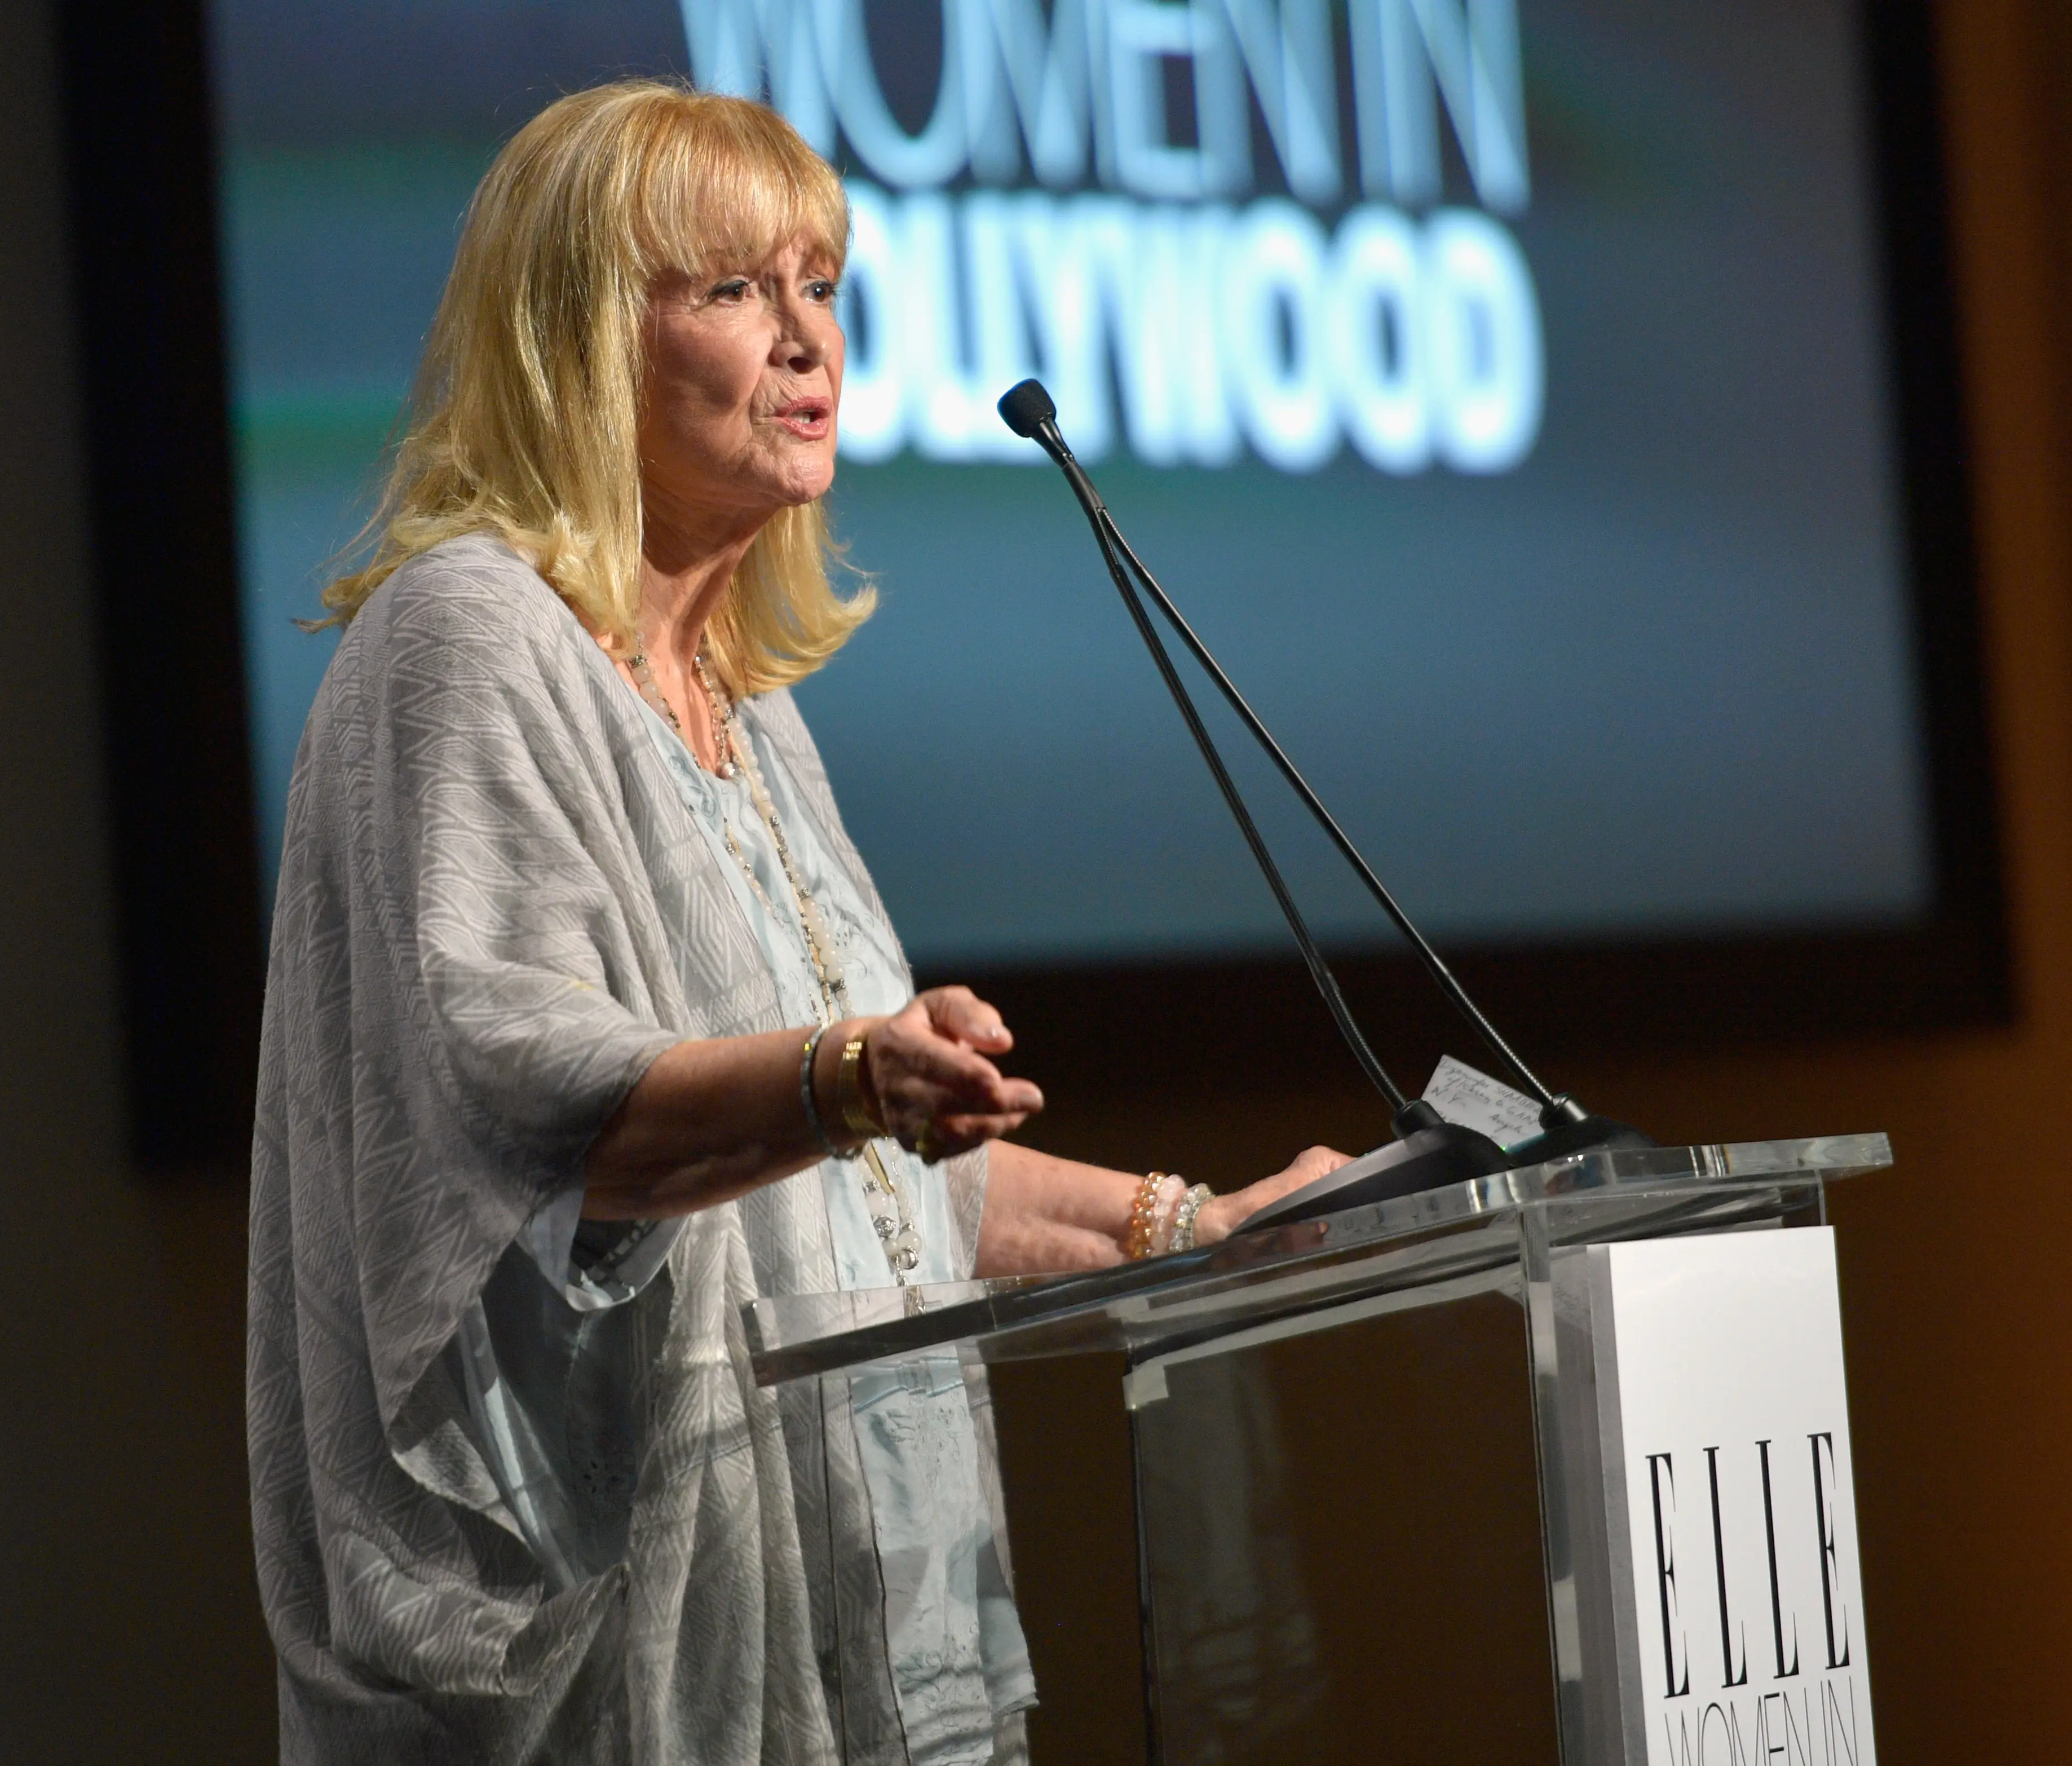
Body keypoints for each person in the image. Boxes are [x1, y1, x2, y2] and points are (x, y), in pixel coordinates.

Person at [248, 80, 1343, 1765]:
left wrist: (1192, 1227)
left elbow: (878, 1201)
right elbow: (523, 1115)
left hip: (863, 1641)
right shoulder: (465, 640)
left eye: (819, 285)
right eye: (735, 290)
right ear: (583, 339)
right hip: (611, 1676)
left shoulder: (748, 715)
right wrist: (846, 1078)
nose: (809, 340)